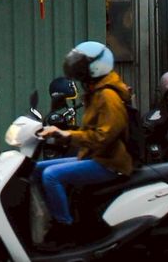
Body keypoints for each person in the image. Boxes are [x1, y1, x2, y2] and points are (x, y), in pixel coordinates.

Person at [35, 41, 132, 249]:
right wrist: (61, 133)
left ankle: (65, 229)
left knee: (51, 176)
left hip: (109, 162)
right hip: (95, 155)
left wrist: (68, 135)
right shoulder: (95, 92)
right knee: (36, 168)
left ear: (96, 67)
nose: (77, 69)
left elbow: (103, 137)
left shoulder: (107, 95)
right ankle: (48, 219)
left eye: (81, 65)